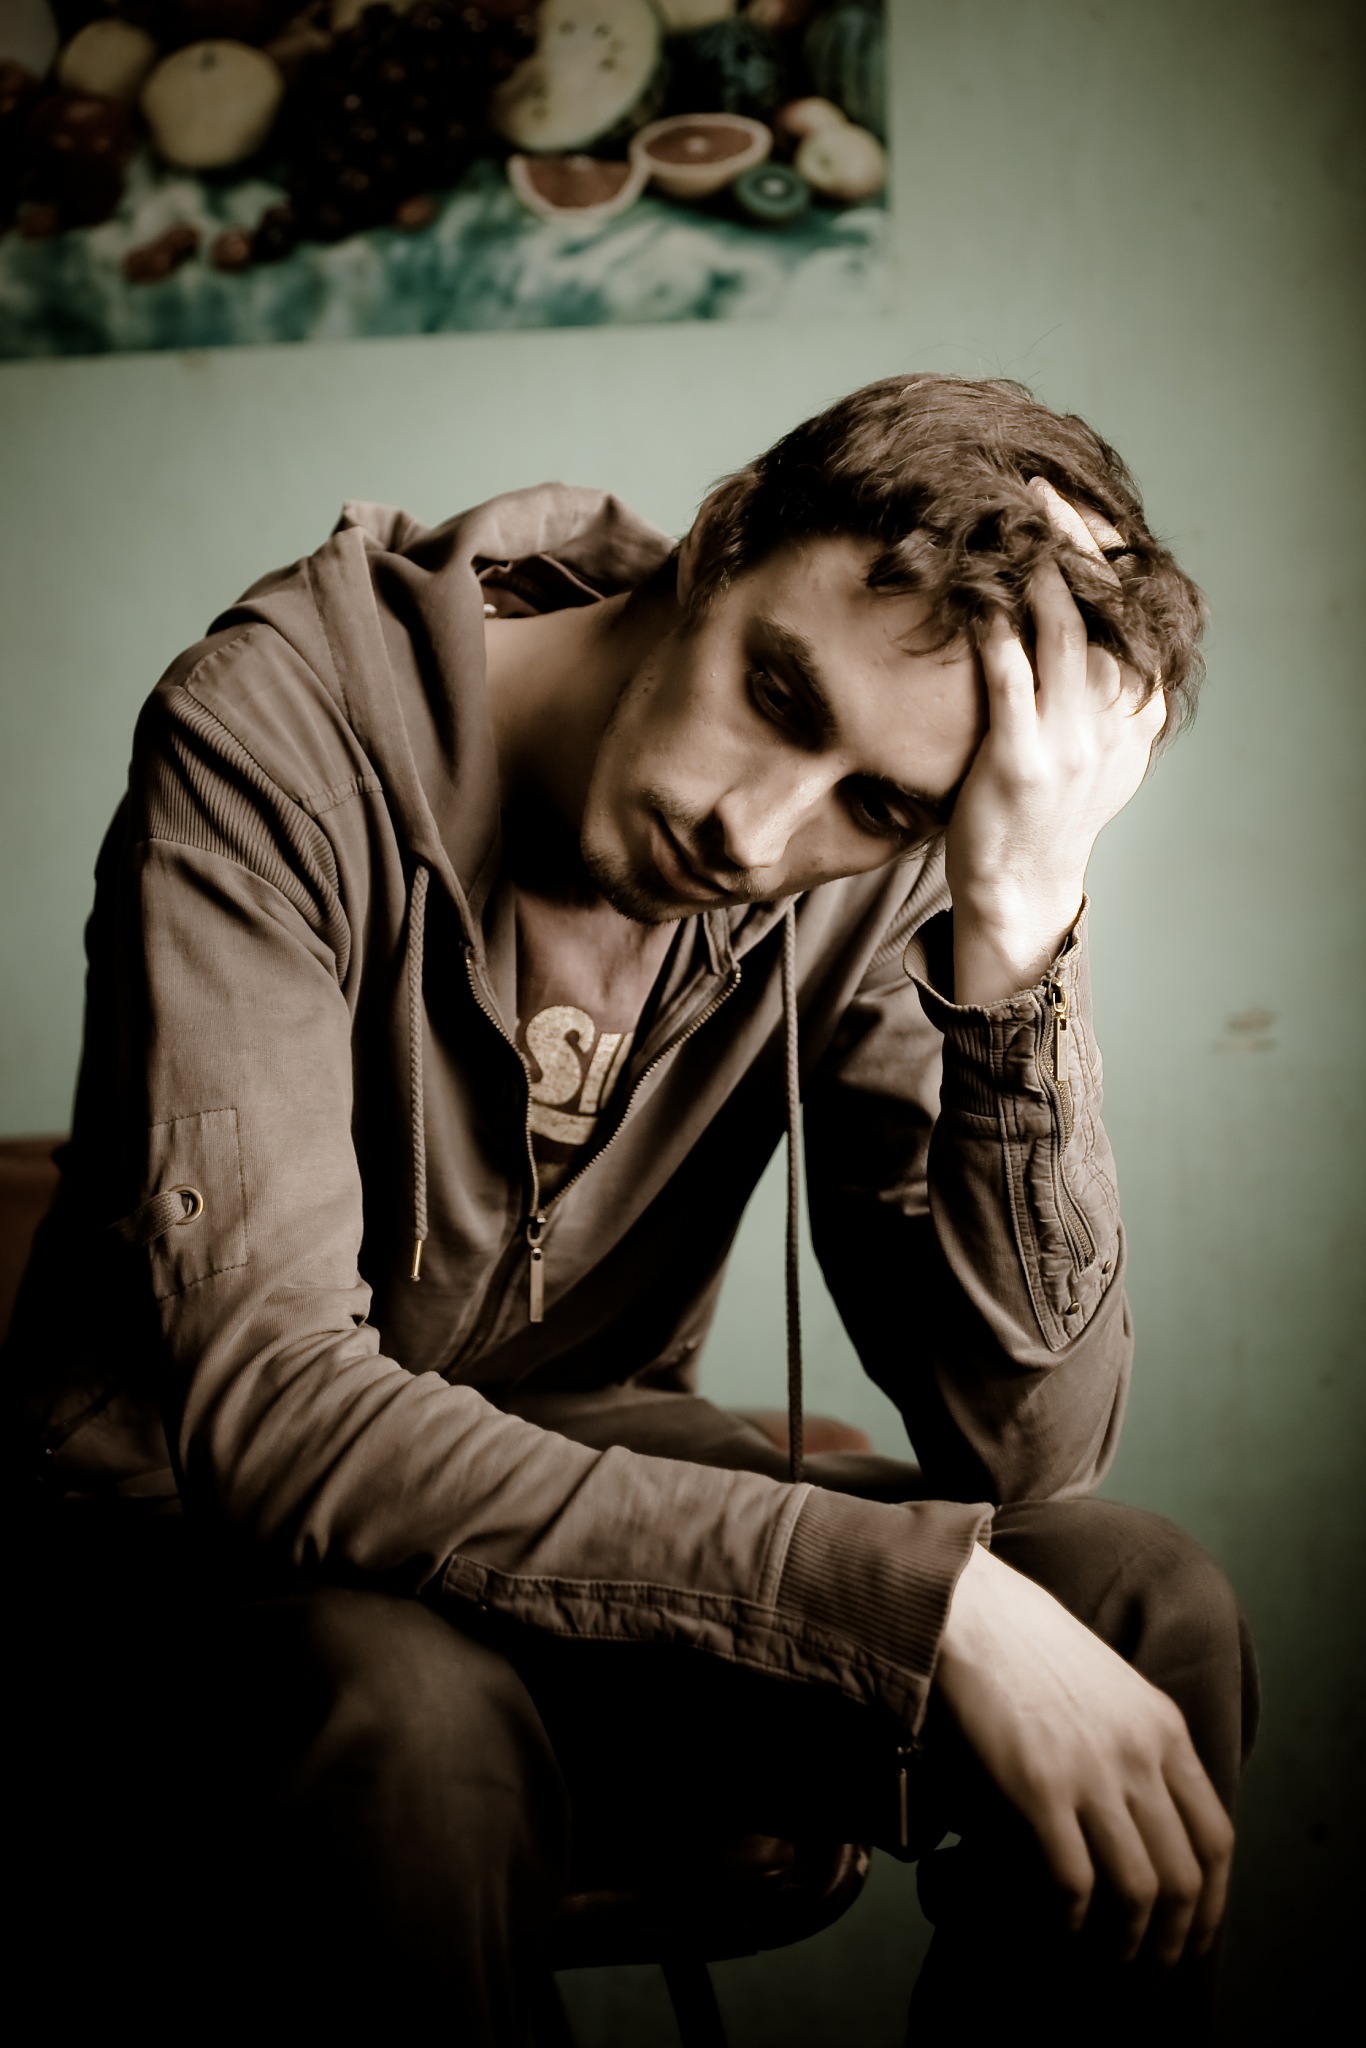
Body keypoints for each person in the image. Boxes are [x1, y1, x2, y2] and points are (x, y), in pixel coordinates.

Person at [6, 374, 1256, 2043]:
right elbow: (279, 1419)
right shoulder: (278, 729)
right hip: (190, 1558)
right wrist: (914, 1597)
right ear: (720, 539)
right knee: (407, 1710)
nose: (753, 828)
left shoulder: (874, 876)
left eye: (877, 805)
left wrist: (1018, 929)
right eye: (775, 692)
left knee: (1135, 1599)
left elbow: (1024, 1453)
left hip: (578, 1535)